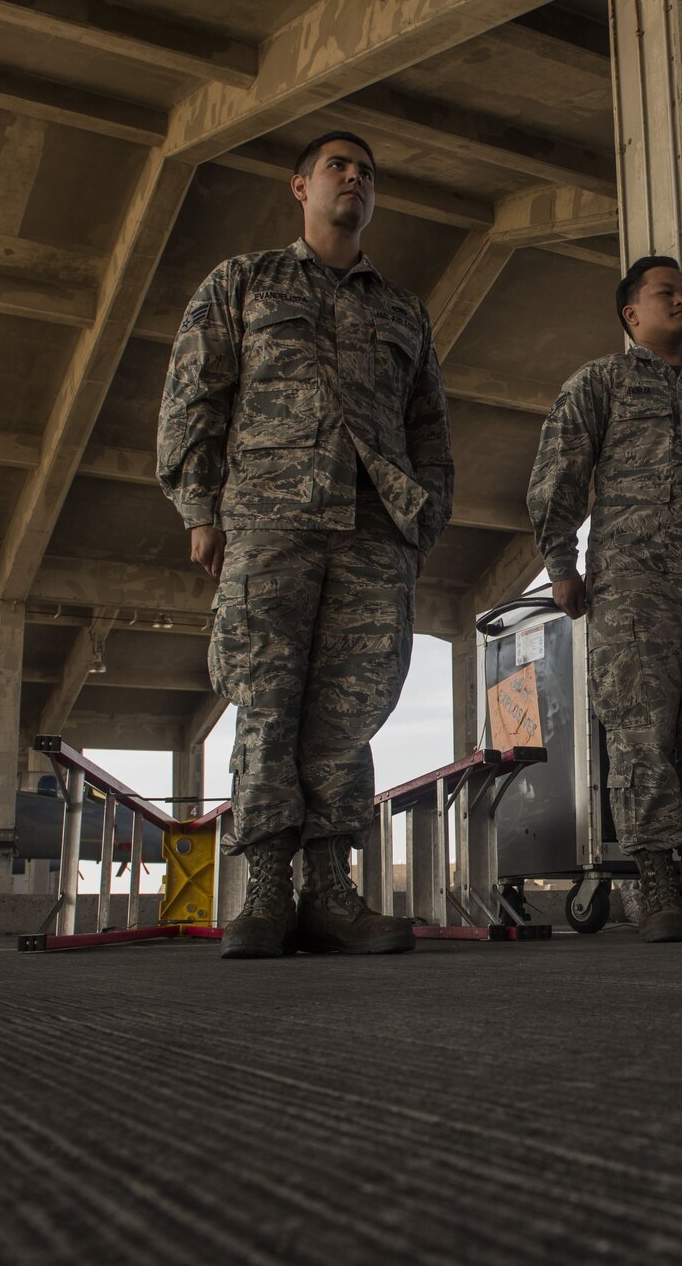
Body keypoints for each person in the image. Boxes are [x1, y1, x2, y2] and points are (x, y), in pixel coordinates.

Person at [157, 131, 453, 960]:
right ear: (300, 186)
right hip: (269, 519)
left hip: (371, 533)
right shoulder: (244, 281)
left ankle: (331, 889)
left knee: (348, 712)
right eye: (338, 167)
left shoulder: (402, 310)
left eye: (366, 171)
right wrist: (200, 507)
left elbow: (431, 426)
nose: (354, 178)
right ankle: (267, 892)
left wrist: (421, 519)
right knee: (264, 703)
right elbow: (193, 396)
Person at [527, 255, 682, 942]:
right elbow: (559, 476)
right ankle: (657, 882)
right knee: (641, 730)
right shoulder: (600, 383)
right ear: (630, 313)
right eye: (666, 292)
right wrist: (561, 565)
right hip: (634, 581)